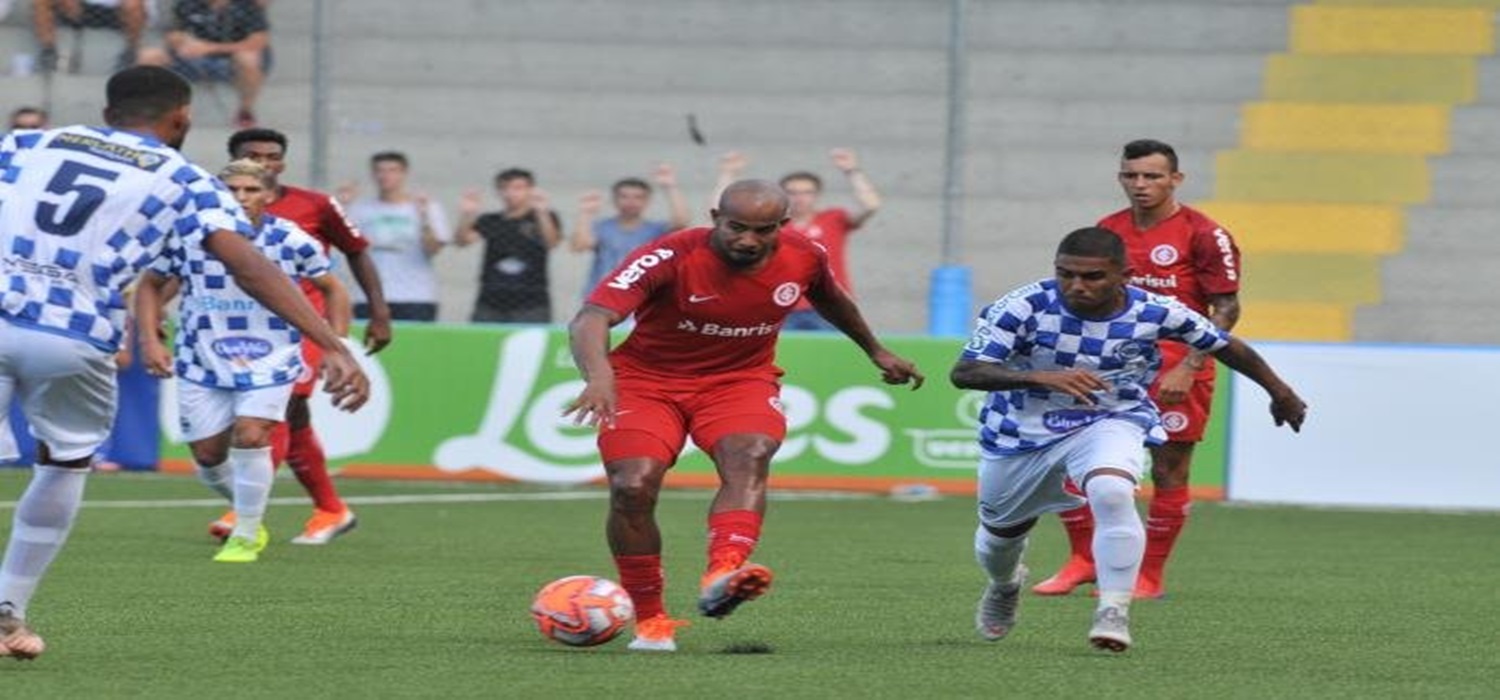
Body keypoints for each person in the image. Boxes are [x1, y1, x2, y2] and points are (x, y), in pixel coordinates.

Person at [0, 66, 368, 659]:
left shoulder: (27, 142)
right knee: (64, 463)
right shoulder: (183, 178)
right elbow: (248, 265)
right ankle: (8, 613)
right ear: (181, 120)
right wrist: (329, 342)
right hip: (72, 335)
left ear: (109, 105)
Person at [563, 180, 924, 652]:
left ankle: (724, 571)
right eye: (737, 227)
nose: (748, 240)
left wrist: (875, 350)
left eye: (763, 230)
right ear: (715, 217)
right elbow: (590, 317)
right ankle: (651, 621)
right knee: (632, 485)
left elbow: (831, 298)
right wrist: (599, 376)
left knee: (749, 453)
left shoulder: (804, 254)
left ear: (782, 226)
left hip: (739, 380)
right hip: (647, 381)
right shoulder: (668, 255)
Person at [950, 227, 1304, 652]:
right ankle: (1004, 585)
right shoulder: (1023, 306)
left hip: (1109, 417)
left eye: (1092, 277)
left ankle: (1113, 611)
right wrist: (1040, 375)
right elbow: (966, 371)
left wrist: (1279, 390)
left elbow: (1223, 344)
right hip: (1021, 433)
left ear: (1125, 275)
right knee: (1000, 537)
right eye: (1065, 274)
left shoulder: (1156, 311)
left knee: (1113, 491)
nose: (1076, 285)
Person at [1032, 139, 1243, 600]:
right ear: (1121, 178)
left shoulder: (1204, 234)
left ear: (1175, 179)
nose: (1141, 185)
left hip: (1177, 368)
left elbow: (1226, 308)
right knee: (1075, 460)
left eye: (1152, 176)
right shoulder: (1108, 230)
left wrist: (1190, 365)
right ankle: (1083, 560)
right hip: (1111, 366)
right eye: (1132, 176)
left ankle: (1147, 576)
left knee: (1169, 471)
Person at [135, 159, 351, 563]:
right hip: (202, 358)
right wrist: (150, 339)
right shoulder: (188, 234)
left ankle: (247, 534)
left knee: (252, 435)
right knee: (207, 457)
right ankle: (250, 508)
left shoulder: (292, 240)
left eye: (251, 190)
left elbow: (333, 288)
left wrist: (335, 346)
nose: (240, 197)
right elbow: (150, 285)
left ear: (269, 196)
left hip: (270, 355)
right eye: (231, 189)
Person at [225, 127, 392, 545]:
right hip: (240, 330)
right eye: (253, 155)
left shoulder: (315, 205)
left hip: (303, 325)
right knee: (293, 417)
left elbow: (356, 251)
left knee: (283, 404)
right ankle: (332, 509)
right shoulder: (217, 208)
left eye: (272, 156)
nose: (264, 163)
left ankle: (243, 514)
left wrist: (379, 311)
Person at [715, 148, 882, 331]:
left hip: (828, 308)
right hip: (780, 306)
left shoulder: (834, 218)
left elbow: (871, 205)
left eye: (806, 192)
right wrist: (728, 173)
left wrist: (852, 171)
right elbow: (722, 213)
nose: (799, 198)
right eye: (792, 192)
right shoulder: (768, 225)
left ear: (817, 195)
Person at [344, 151, 450, 321]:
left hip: (416, 296)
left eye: (392, 170)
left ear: (404, 173)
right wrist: (342, 206)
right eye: (380, 170)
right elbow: (343, 245)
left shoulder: (427, 207)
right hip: (369, 295)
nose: (385, 176)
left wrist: (423, 218)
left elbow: (433, 249)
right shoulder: (360, 209)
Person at [136, 0, 270, 128]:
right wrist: (181, 42)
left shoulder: (247, 6)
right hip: (193, 56)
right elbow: (173, 33)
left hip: (229, 58)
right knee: (149, 56)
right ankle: (150, 109)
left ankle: (245, 110)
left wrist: (209, 48)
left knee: (248, 59)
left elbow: (258, 41)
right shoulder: (188, 4)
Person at [455, 168, 562, 323]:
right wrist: (467, 215)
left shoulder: (544, 217)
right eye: (504, 188)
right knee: (483, 344)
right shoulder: (490, 220)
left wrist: (542, 213)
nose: (510, 193)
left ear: (530, 190)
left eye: (517, 188)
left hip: (531, 301)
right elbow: (462, 241)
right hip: (490, 299)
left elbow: (551, 242)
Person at [570, 163, 691, 295]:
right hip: (602, 298)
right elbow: (579, 246)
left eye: (638, 197)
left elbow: (681, 222)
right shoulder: (602, 227)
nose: (631, 202)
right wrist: (586, 213)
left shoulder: (656, 229)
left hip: (643, 297)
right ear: (614, 199)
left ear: (647, 201)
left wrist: (670, 187)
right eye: (624, 196)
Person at [31, 0, 146, 73]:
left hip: (116, 12)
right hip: (80, 9)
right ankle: (49, 49)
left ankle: (131, 49)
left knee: (134, 4)